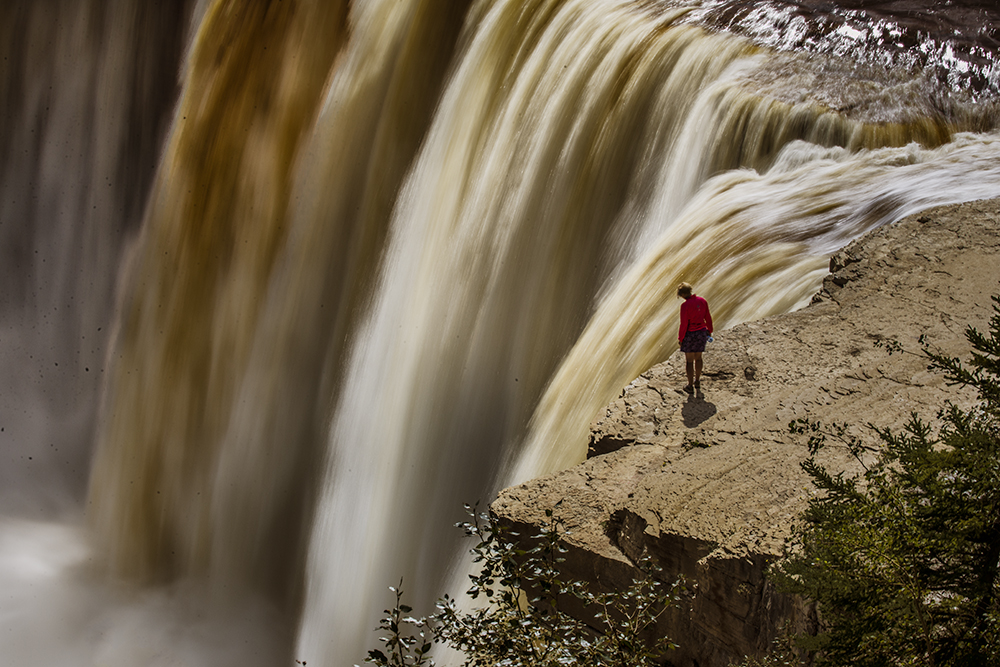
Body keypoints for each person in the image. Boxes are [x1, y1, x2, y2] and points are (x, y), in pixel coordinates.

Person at [676, 282, 713, 394]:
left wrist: (681, 338)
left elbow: (684, 324)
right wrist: (709, 330)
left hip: (690, 334)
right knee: (699, 358)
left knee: (689, 361)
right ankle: (697, 381)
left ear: (682, 294)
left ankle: (690, 385)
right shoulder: (702, 301)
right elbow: (708, 317)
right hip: (701, 332)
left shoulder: (685, 306)